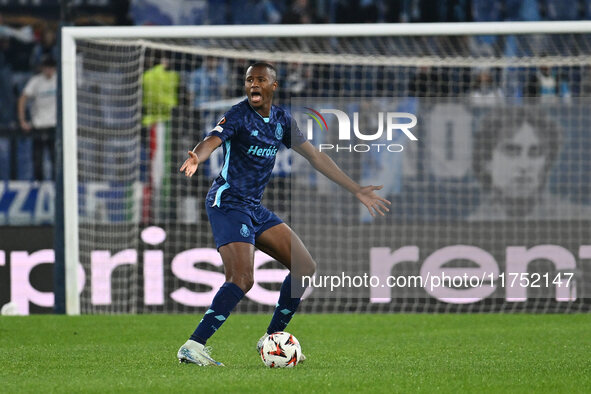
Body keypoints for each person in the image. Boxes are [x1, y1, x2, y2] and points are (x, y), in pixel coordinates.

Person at [177, 62, 391, 366]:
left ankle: (272, 338)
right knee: (241, 279)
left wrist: (355, 189)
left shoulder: (281, 120)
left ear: (272, 86)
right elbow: (213, 139)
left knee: (304, 266)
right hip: (227, 202)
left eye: (260, 79)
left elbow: (316, 156)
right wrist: (198, 155)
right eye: (249, 79)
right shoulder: (238, 115)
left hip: (253, 206)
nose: (253, 84)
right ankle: (194, 345)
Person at [469, 105, 590, 220]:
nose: (524, 165)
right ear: (486, 161)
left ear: (547, 163)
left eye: (535, 152)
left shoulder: (580, 217)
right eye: (511, 151)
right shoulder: (471, 223)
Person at [18, 55, 56, 180]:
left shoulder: (59, 80)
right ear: (42, 68)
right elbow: (23, 98)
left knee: (56, 160)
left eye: (51, 67)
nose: (49, 70)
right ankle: (39, 188)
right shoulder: (36, 81)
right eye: (46, 67)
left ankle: (58, 187)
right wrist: (22, 120)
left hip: (54, 127)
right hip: (39, 126)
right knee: (37, 162)